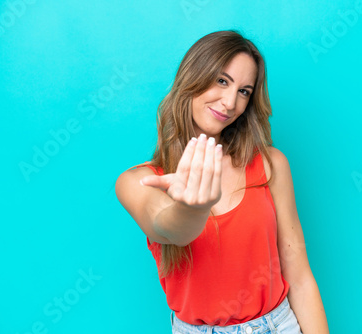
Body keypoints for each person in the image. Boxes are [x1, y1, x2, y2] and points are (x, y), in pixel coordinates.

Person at [115, 30, 329, 334]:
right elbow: (168, 228)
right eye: (222, 81)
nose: (230, 102)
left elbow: (299, 275)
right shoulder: (140, 181)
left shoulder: (271, 165)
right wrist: (193, 208)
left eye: (244, 91)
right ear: (193, 75)